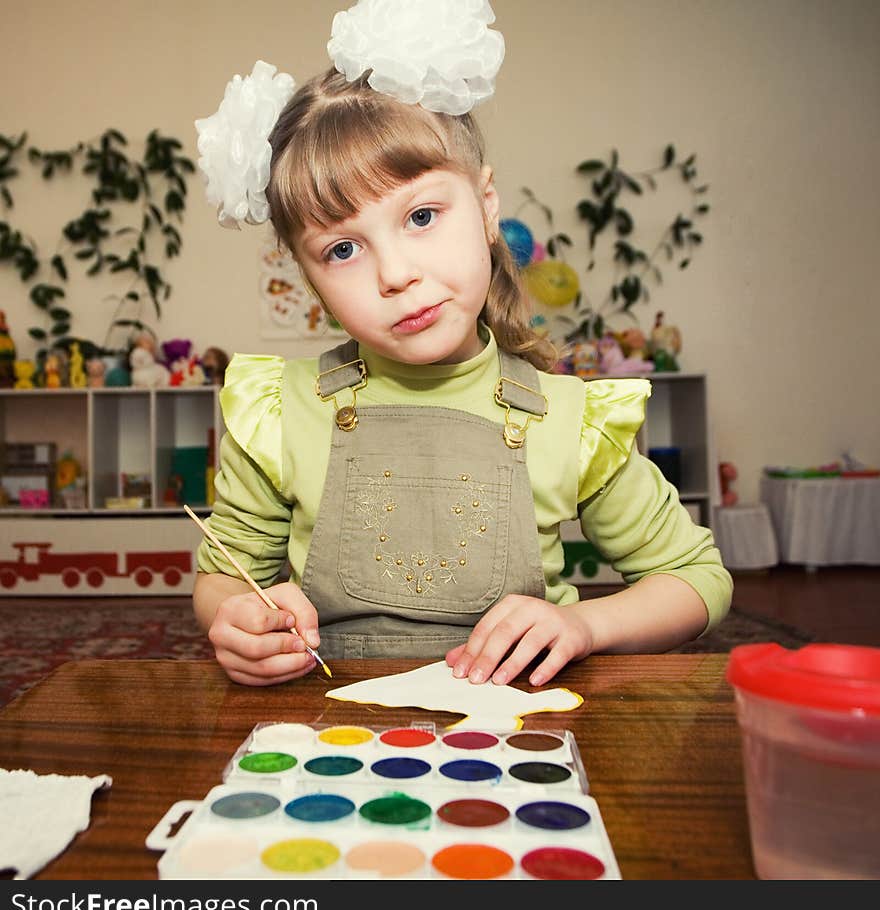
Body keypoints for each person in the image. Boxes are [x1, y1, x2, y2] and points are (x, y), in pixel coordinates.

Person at [192, 0, 732, 689]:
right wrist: (239, 616)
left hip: (514, 738)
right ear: (309, 276)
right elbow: (220, 578)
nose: (395, 274)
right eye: (344, 248)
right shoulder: (279, 412)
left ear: (486, 206)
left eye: (421, 215)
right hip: (330, 736)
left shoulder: (570, 421)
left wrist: (584, 626)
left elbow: (695, 579)